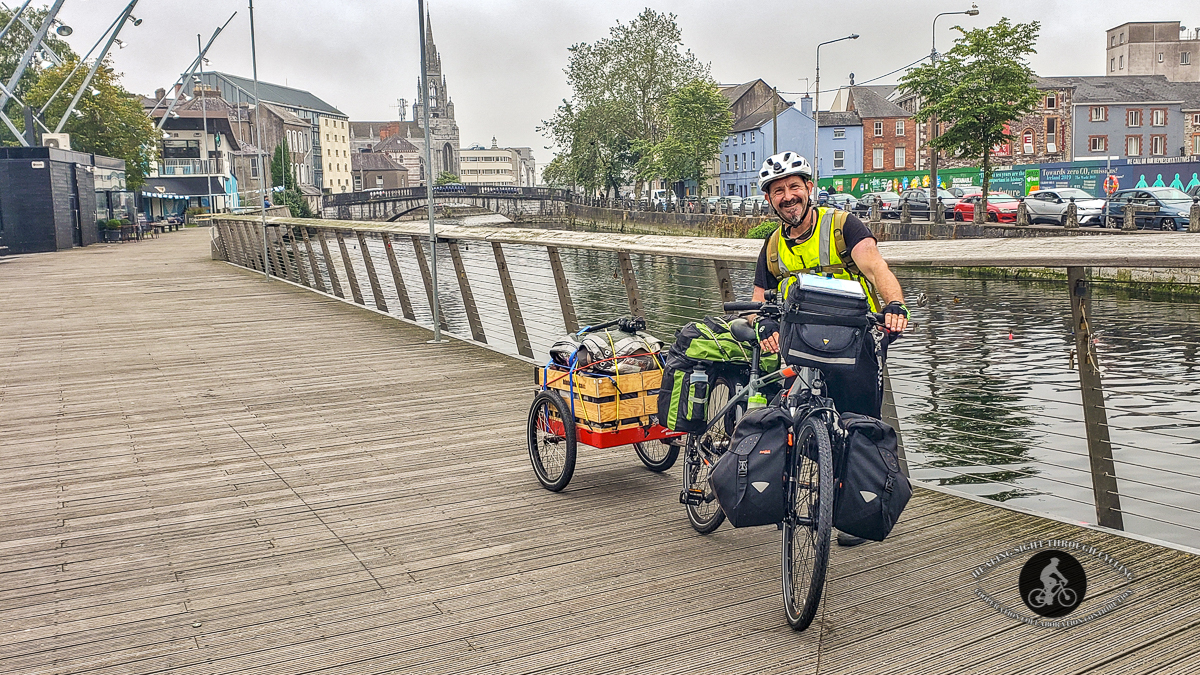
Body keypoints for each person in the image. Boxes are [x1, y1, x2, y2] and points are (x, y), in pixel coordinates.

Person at [751, 152, 909, 545]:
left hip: (853, 341)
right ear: (769, 200)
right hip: (801, 343)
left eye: (793, 187)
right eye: (778, 191)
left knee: (859, 426)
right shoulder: (772, 246)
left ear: (808, 188)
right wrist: (765, 322)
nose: (787, 196)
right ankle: (802, 483)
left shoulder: (841, 226)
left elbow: (876, 267)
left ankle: (858, 512)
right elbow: (758, 300)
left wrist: (894, 305)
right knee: (786, 414)